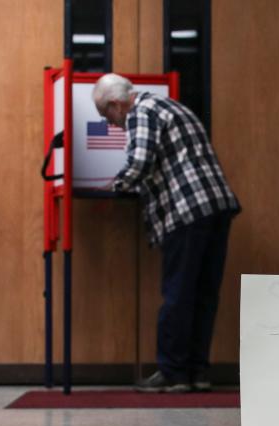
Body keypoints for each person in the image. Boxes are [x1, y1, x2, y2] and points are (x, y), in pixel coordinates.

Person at [92, 74, 241, 393]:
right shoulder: (171, 106)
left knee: (178, 293)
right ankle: (197, 372)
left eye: (109, 117)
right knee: (204, 294)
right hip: (216, 206)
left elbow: (140, 161)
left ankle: (173, 372)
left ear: (117, 104)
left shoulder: (140, 112)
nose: (114, 125)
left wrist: (114, 186)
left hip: (186, 211)